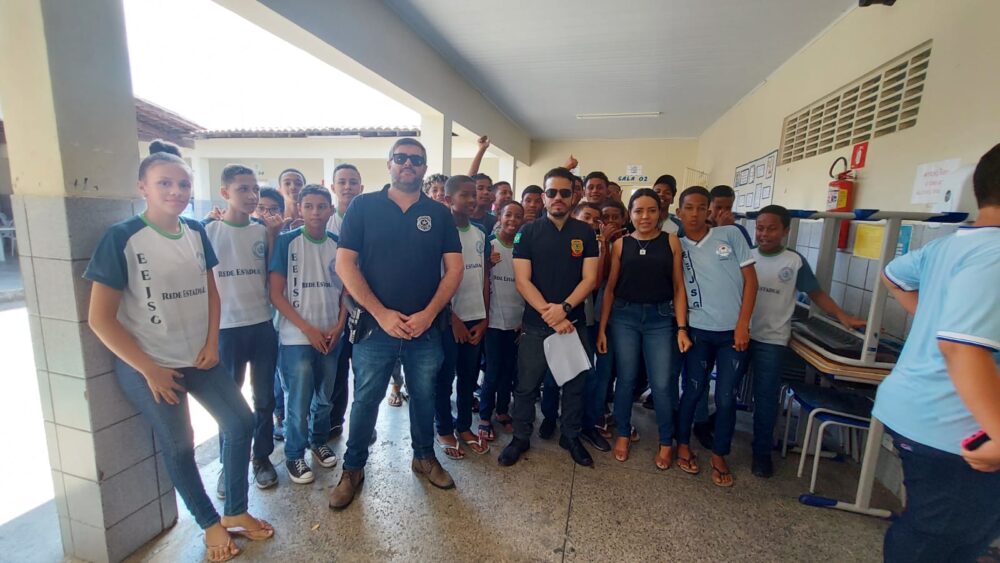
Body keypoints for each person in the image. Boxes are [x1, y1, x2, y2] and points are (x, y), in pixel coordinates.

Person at [85, 140, 271, 562]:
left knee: (241, 422)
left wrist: (210, 343)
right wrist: (148, 369)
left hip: (199, 357)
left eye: (183, 183)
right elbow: (101, 319)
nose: (176, 190)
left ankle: (236, 510)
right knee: (181, 444)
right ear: (143, 187)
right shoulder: (122, 238)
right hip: (150, 365)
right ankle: (209, 524)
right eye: (164, 182)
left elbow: (211, 293)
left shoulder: (195, 231)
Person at [874, 143, 1000, 562]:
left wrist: (930, 312)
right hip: (955, 425)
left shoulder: (950, 246)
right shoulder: (995, 255)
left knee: (934, 532)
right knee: (941, 542)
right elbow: (962, 348)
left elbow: (893, 276)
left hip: (919, 408)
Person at [331, 138, 462, 509]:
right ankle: (352, 468)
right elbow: (345, 265)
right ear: (389, 163)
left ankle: (424, 457)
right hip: (374, 329)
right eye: (401, 158)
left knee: (424, 397)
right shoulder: (363, 206)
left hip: (425, 328)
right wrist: (381, 313)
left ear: (424, 167)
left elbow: (454, 271)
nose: (409, 164)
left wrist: (429, 314)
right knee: (366, 400)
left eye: (416, 160)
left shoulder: (438, 213)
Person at [748, 205, 865, 478]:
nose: (764, 234)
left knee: (766, 398)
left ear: (785, 231)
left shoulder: (794, 261)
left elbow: (815, 292)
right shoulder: (746, 255)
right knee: (727, 392)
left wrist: (842, 316)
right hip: (741, 334)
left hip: (772, 339)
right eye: (760, 228)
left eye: (771, 228)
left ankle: (761, 453)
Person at [499, 167, 600, 468]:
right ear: (543, 197)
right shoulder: (527, 233)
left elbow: (590, 279)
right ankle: (520, 437)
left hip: (574, 323)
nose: (558, 198)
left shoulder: (585, 233)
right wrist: (550, 313)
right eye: (552, 192)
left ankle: (570, 435)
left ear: (574, 196)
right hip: (535, 324)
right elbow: (522, 281)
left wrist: (564, 309)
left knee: (574, 385)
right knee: (527, 385)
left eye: (564, 192)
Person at [204, 164, 283, 497]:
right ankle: (229, 463)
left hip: (262, 325)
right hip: (227, 330)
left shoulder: (262, 231)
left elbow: (270, 276)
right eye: (243, 189)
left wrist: (275, 235)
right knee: (230, 403)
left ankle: (262, 458)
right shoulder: (208, 232)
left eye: (255, 190)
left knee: (264, 398)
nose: (252, 196)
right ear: (225, 193)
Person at [598, 188, 691, 467]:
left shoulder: (672, 242)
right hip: (624, 317)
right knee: (625, 379)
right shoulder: (621, 244)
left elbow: (678, 287)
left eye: (651, 210)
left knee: (662, 383)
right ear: (630, 214)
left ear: (660, 212)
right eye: (638, 211)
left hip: (661, 319)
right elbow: (610, 289)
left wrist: (682, 328)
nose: (645, 216)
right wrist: (602, 328)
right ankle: (623, 433)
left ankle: (666, 441)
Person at [674, 186, 758, 487]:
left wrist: (743, 324)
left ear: (709, 210)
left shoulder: (731, 236)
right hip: (697, 332)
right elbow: (679, 291)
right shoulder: (677, 245)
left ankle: (719, 454)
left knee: (725, 397)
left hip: (732, 334)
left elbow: (751, 282)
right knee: (693, 390)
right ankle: (682, 444)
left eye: (701, 207)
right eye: (689, 208)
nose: (694, 213)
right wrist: (683, 328)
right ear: (679, 212)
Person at [268, 185, 346, 484]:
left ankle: (318, 441)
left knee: (325, 398)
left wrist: (339, 326)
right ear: (300, 208)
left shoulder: (338, 244)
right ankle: (294, 455)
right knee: (298, 401)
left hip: (330, 335)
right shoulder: (287, 243)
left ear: (330, 209)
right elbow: (276, 294)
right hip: (296, 338)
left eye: (322, 206)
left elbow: (346, 293)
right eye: (309, 206)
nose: (316, 212)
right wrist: (308, 329)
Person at [434, 175, 491, 459]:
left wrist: (484, 317)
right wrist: (452, 317)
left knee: (468, 377)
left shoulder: (480, 233)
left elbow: (483, 277)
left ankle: (464, 426)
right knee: (444, 377)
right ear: (448, 199)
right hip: (447, 319)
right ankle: (444, 428)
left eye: (474, 195)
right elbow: (433, 280)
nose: (472, 200)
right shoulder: (438, 233)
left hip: (475, 318)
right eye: (464, 195)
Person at [479, 201, 525, 440]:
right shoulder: (489, 245)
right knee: (493, 371)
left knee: (509, 371)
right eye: (509, 215)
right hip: (494, 321)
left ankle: (503, 412)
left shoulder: (523, 248)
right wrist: (488, 263)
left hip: (516, 322)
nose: (513, 220)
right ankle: (485, 415)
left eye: (518, 216)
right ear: (500, 215)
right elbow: (478, 279)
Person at [251, 187, 290, 442]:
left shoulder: (286, 238)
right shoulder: (243, 233)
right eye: (262, 208)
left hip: (279, 318)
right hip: (248, 322)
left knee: (280, 376)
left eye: (273, 209)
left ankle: (285, 420)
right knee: (261, 389)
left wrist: (274, 234)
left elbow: (276, 273)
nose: (267, 213)